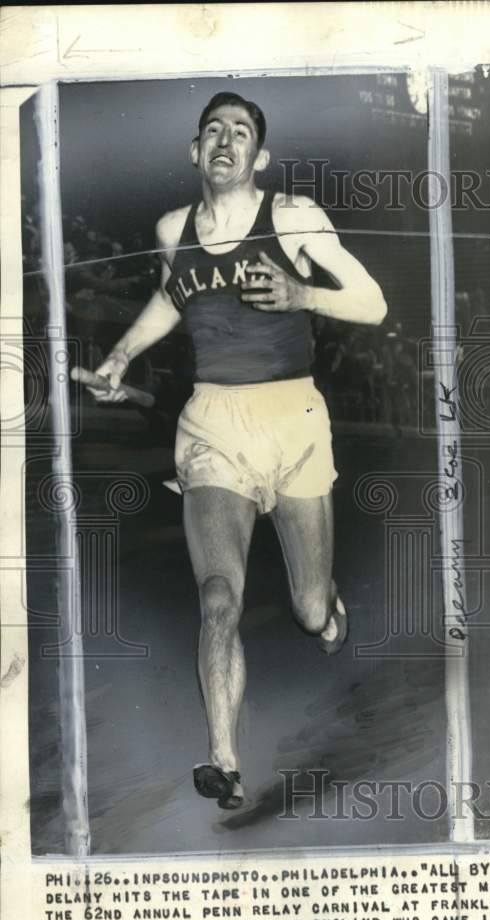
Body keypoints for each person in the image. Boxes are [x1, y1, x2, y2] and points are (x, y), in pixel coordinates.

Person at [86, 92, 387, 810]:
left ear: (260, 157)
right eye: (213, 130)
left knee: (310, 610)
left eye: (241, 132)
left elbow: (371, 303)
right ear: (195, 152)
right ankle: (222, 758)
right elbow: (172, 294)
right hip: (213, 424)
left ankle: (326, 612)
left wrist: (301, 294)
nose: (225, 140)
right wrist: (121, 356)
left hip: (292, 416)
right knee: (218, 597)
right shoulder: (172, 229)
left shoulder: (292, 216)